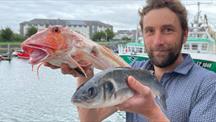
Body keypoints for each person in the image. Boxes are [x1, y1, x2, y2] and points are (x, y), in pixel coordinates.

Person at [45, 0, 216, 121]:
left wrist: (152, 113)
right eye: (150, 31)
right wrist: (84, 73)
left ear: (185, 34)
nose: (157, 41)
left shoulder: (208, 85)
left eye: (168, 30)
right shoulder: (129, 71)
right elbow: (91, 119)